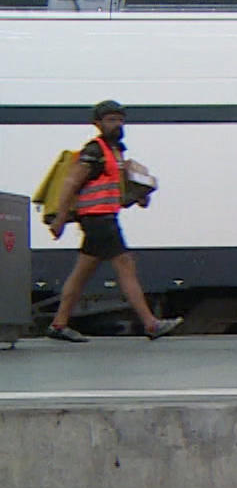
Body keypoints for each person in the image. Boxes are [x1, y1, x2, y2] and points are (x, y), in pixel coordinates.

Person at [44, 100, 181, 343]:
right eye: (111, 120)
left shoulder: (116, 151)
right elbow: (71, 184)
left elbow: (117, 187)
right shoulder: (94, 151)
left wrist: (139, 194)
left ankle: (59, 324)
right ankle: (151, 324)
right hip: (98, 219)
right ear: (97, 124)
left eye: (120, 119)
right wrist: (61, 219)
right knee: (125, 265)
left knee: (81, 274)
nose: (117, 124)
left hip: (103, 218)